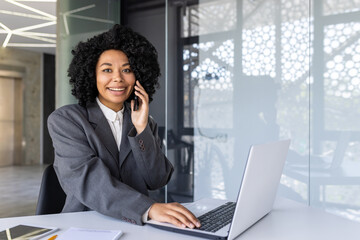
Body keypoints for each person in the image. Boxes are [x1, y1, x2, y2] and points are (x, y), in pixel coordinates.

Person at [48, 24, 200, 229]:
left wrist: (141, 129)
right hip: (86, 224)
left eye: (127, 70)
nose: (118, 78)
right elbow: (90, 182)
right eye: (107, 70)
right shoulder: (67, 120)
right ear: (92, 75)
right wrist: (148, 208)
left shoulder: (144, 122)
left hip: (137, 226)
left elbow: (157, 179)